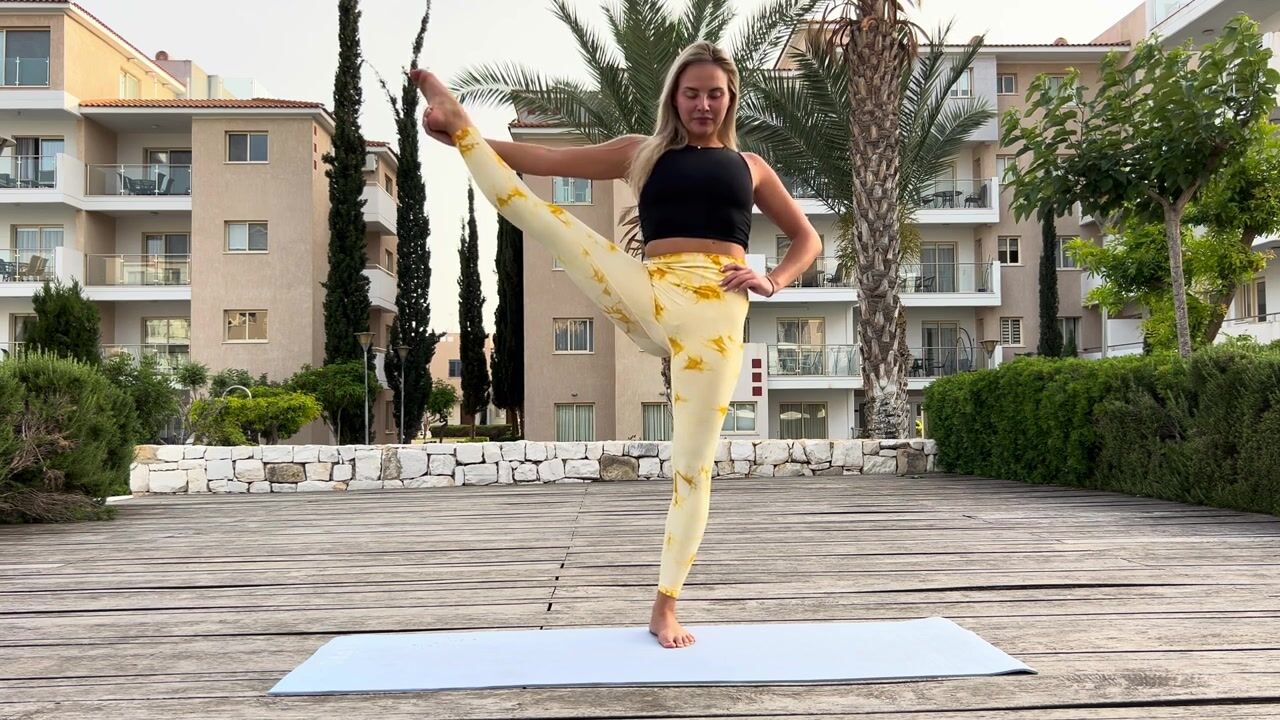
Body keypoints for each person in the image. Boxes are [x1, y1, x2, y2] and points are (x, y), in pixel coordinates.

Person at [411, 40, 821, 649]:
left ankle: (665, 607)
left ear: (730, 99)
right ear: (674, 98)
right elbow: (544, 158)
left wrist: (774, 280)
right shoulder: (641, 152)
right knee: (545, 217)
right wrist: (465, 140)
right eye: (691, 93)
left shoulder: (751, 166)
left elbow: (807, 238)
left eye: (714, 94)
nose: (703, 104)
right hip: (651, 288)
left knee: (693, 467)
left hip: (716, 312)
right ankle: (458, 114)